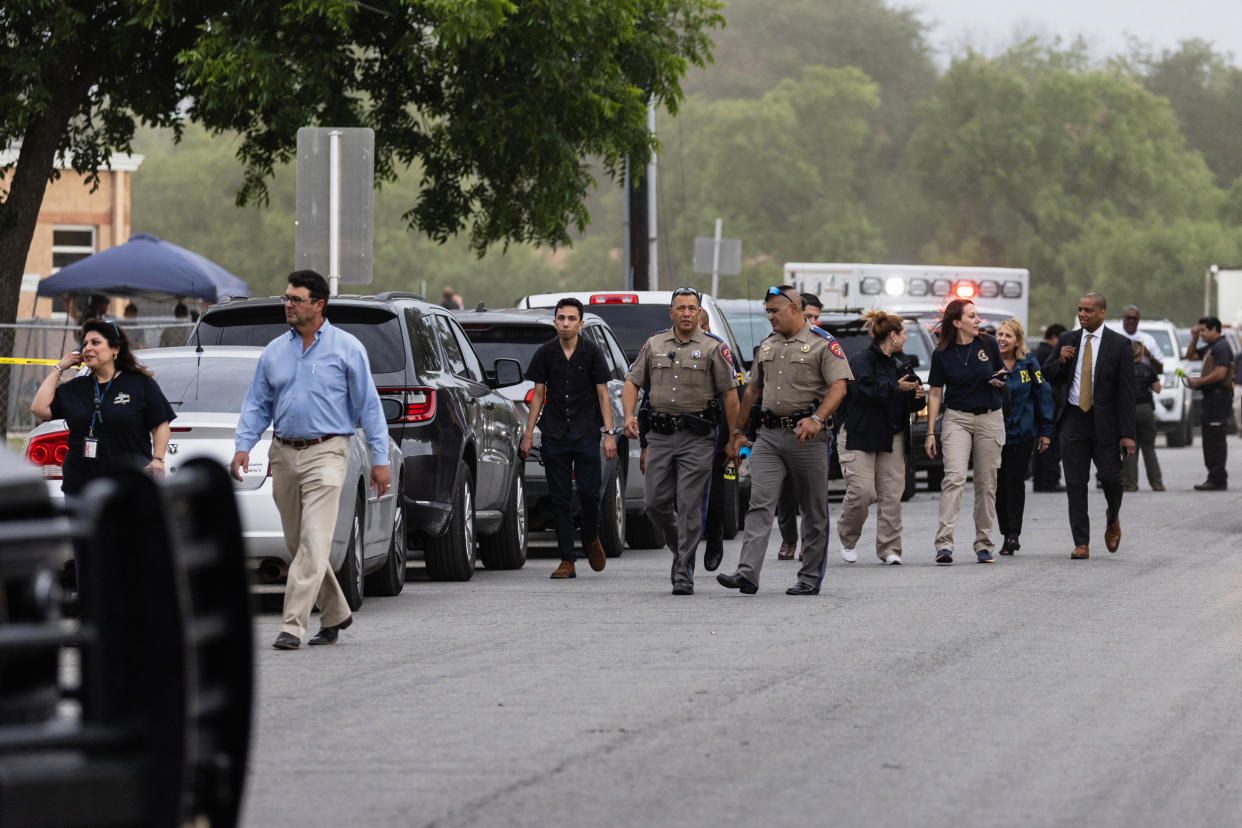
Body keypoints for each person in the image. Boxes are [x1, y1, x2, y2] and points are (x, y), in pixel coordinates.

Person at [231, 270, 390, 649]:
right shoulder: (274, 351)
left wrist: (380, 460)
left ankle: (293, 625)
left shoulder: (347, 348)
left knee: (315, 541)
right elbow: (257, 404)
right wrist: (242, 445)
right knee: (299, 542)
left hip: (329, 452)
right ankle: (336, 612)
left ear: (318, 304)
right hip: (283, 454)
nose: (287, 304)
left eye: (295, 299)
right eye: (286, 297)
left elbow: (369, 407)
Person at [717, 284, 852, 596]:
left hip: (808, 439)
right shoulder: (767, 346)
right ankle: (747, 573)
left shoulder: (823, 344)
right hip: (769, 436)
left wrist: (817, 419)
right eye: (767, 312)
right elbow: (752, 391)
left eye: (774, 311)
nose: (770, 317)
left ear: (794, 308)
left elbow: (839, 387)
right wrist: (738, 433)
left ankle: (809, 577)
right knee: (759, 504)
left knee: (814, 510)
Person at [622, 288, 739, 595]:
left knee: (689, 506)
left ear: (700, 313)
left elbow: (730, 395)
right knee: (655, 504)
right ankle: (680, 549)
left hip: (697, 438)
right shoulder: (654, 343)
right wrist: (628, 416)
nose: (687, 313)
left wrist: (734, 437)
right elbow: (632, 382)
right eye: (681, 308)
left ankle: (684, 569)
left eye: (692, 308)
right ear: (671, 313)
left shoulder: (715, 348)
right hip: (660, 436)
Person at [520, 298, 617, 578]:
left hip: (586, 432)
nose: (565, 323)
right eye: (561, 318)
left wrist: (609, 434)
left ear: (580, 323)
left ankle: (590, 536)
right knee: (559, 498)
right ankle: (567, 559)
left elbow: (602, 395)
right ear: (555, 321)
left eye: (571, 318)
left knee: (589, 494)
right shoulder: (545, 353)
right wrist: (529, 434)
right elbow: (538, 395)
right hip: (554, 433)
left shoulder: (592, 353)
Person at [32, 319, 175, 495]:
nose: (87, 348)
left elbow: (160, 424)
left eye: (95, 342)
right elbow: (39, 408)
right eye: (85, 344)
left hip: (129, 487)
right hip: (81, 488)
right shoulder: (76, 387)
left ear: (115, 349)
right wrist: (60, 367)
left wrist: (158, 459)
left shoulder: (140, 383)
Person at [1041, 293, 1135, 560]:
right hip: (1073, 419)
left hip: (1105, 422)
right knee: (1075, 483)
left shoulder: (1119, 345)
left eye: (1088, 310)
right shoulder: (1067, 340)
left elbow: (1126, 393)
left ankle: (1112, 514)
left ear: (1102, 313)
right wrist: (1059, 360)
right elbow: (1045, 375)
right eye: (1080, 310)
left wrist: (1127, 434)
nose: (1082, 314)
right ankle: (1081, 542)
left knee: (1112, 479)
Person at [836, 310, 925, 565]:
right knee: (863, 492)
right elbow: (863, 391)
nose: (906, 338)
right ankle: (847, 537)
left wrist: (915, 396)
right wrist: (896, 388)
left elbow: (908, 401)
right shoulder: (861, 360)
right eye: (904, 333)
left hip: (892, 434)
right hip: (859, 433)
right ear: (893, 335)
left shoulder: (901, 362)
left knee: (892, 494)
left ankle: (889, 548)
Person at [923, 299, 1006, 564]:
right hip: (957, 418)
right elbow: (935, 393)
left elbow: (999, 372)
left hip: (989, 417)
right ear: (957, 322)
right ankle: (944, 544)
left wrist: (1001, 378)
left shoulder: (988, 344)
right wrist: (930, 432)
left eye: (977, 315)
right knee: (955, 478)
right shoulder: (941, 353)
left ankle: (984, 544)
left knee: (986, 482)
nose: (978, 319)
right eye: (972, 316)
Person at [993, 318, 1053, 555]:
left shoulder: (1028, 364)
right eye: (999, 335)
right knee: (998, 485)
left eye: (1007, 335)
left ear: (1018, 340)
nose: (1002, 339)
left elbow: (1043, 394)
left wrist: (1045, 431)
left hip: (1022, 432)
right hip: (995, 432)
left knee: (1015, 481)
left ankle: (1013, 535)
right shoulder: (989, 362)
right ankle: (1004, 530)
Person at [697, 308, 746, 572]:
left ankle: (714, 539)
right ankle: (687, 549)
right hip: (685, 434)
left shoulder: (721, 352)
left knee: (716, 495)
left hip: (717, 432)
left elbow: (735, 399)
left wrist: (734, 439)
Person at [1184, 316, 1233, 491]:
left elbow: (1221, 373)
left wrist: (1199, 382)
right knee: (1209, 439)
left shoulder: (1221, 346)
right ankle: (1213, 476)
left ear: (1214, 330)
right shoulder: (1212, 347)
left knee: (1215, 439)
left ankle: (1218, 478)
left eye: (1203, 330)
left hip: (1219, 398)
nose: (1201, 333)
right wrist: (1195, 337)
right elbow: (1190, 356)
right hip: (1211, 398)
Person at [1124, 340, 1165, 492]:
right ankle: (1157, 483)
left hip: (1127, 411)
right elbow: (1157, 389)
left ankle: (1130, 484)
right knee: (1149, 448)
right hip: (1145, 409)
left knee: (1128, 447)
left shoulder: (1122, 369)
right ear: (1141, 353)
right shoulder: (1148, 369)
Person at [1031, 323, 1067, 492]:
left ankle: (1042, 480)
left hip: (1041, 404)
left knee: (1043, 442)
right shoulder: (1048, 354)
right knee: (1049, 443)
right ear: (1054, 338)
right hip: (1048, 403)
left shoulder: (1038, 352)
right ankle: (1049, 480)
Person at [1119, 306, 1164, 373]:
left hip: (1143, 380)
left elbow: (1160, 370)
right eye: (1128, 318)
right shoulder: (1114, 337)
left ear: (1138, 320)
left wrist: (1149, 355)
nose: (1131, 321)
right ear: (1123, 318)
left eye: (1134, 318)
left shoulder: (1148, 340)